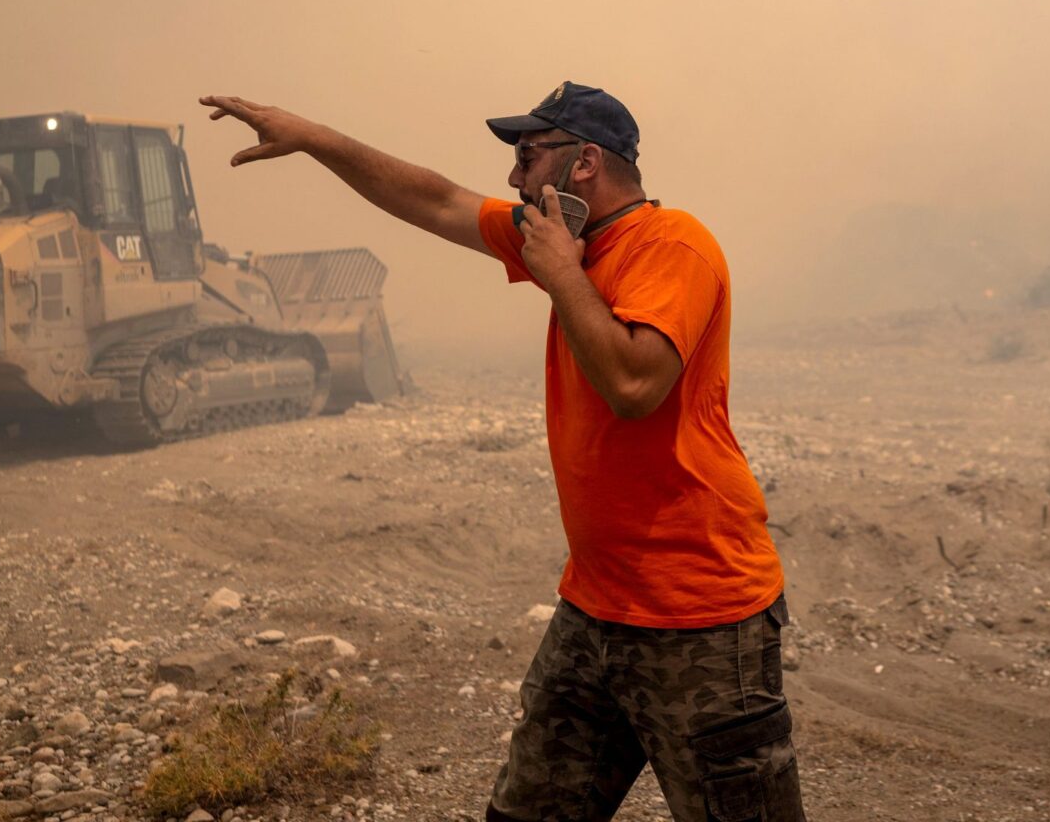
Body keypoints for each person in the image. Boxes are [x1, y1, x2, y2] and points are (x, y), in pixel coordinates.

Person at [198, 83, 804, 822]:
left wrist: (562, 274)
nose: (515, 180)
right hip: (596, 608)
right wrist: (317, 138)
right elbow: (438, 200)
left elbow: (634, 385)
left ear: (585, 164)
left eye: (527, 157)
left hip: (701, 617)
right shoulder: (564, 244)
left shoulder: (673, 245)